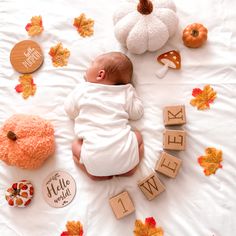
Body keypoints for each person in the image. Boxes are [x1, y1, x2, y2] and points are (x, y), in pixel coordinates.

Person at [64, 52, 144, 181]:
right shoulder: (125, 92)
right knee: (138, 136)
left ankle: (92, 174)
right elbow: (137, 113)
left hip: (94, 158)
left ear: (100, 74)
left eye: (91, 64)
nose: (88, 67)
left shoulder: (82, 89)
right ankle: (130, 170)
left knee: (75, 145)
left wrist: (76, 94)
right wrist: (131, 90)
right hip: (124, 153)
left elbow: (70, 111)